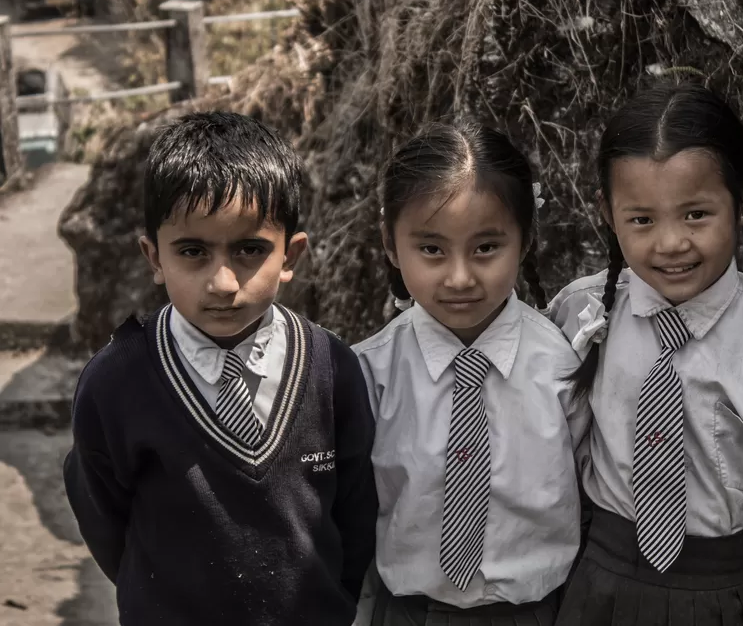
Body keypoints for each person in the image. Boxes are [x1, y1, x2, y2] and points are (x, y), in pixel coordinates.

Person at [549, 84, 743, 625]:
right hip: (601, 585)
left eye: (696, 214)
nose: (670, 243)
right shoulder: (580, 317)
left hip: (734, 595)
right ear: (607, 212)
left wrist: (730, 555)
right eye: (641, 220)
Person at [62, 111, 377, 626]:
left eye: (250, 250)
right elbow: (102, 516)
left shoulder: (331, 369)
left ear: (290, 254)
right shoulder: (115, 383)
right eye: (193, 251)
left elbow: (356, 514)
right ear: (154, 257)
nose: (224, 283)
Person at [352, 123, 591, 626]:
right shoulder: (367, 375)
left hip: (537, 613)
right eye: (432, 250)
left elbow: (596, 496)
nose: (459, 278)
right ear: (391, 245)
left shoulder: (563, 368)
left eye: (485, 248)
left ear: (525, 240)